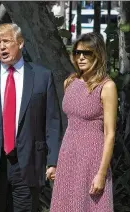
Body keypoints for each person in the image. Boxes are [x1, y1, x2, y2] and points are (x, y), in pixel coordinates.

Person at [0, 23, 61, 212]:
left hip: (28, 162)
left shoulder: (42, 76)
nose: (2, 47)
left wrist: (53, 160)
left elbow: (52, 122)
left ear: (20, 43)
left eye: (6, 41)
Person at [50, 32, 117, 212]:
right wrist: (57, 162)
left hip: (92, 159)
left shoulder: (106, 86)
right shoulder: (70, 82)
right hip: (68, 155)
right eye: (77, 53)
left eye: (86, 53)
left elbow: (110, 134)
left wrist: (102, 174)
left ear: (98, 55)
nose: (80, 57)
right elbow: (72, 123)